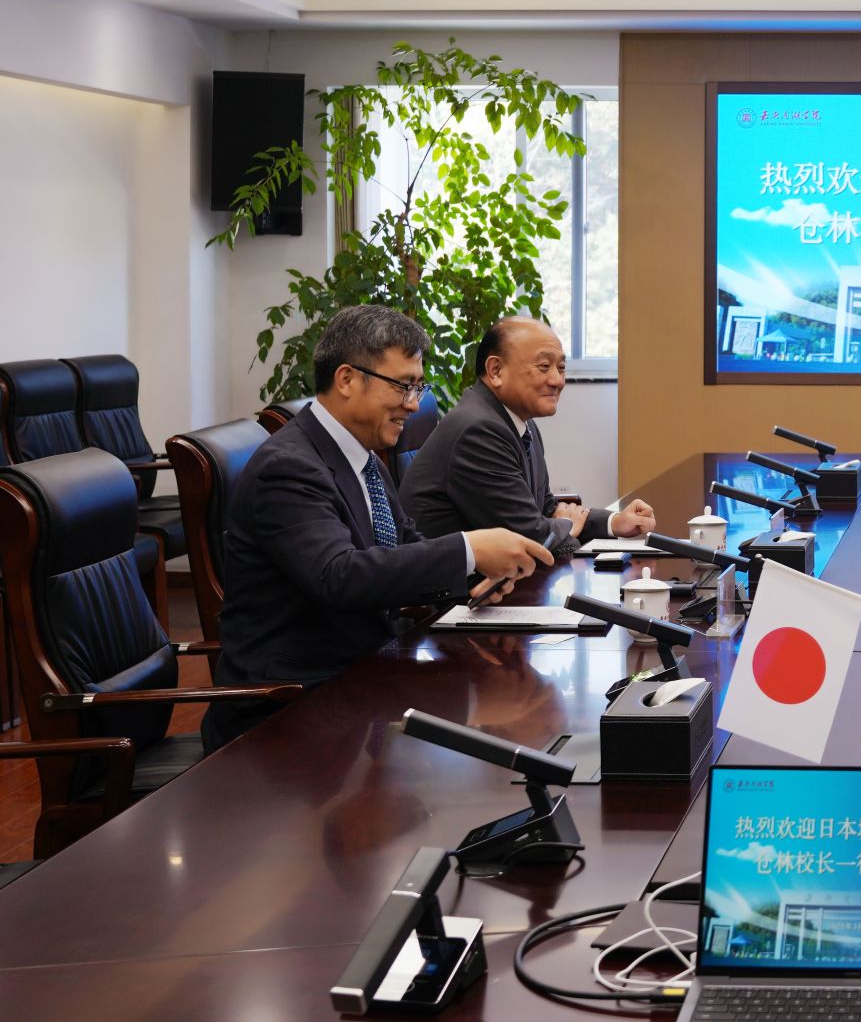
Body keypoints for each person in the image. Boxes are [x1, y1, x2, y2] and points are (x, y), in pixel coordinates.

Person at [203, 305, 551, 752]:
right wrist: (470, 549)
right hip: (288, 711)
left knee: (500, 704)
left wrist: (474, 578)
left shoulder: (361, 457)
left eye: (418, 386)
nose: (413, 403)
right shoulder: (288, 467)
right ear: (347, 379)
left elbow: (404, 544)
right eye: (403, 385)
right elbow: (340, 576)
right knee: (488, 720)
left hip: (359, 678)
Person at [403, 317, 657, 556]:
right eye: (544, 367)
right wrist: (567, 526)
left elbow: (546, 509)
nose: (557, 381)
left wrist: (615, 522)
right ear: (496, 370)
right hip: (456, 586)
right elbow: (532, 540)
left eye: (561, 368)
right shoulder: (479, 430)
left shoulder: (520, 423)